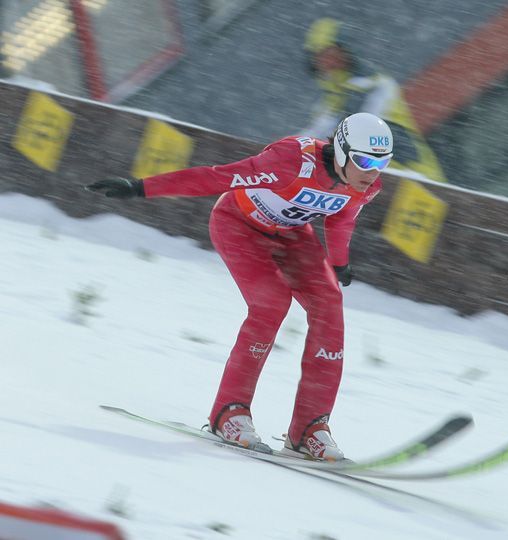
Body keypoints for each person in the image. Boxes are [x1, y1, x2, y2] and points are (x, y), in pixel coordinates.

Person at [86, 112, 394, 462]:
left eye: (383, 162)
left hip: (292, 237)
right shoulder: (290, 161)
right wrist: (141, 187)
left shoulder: (367, 184)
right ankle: (229, 413)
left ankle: (310, 428)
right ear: (340, 151)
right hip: (239, 226)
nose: (372, 171)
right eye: (365, 160)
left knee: (329, 304)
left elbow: (341, 215)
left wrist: (340, 262)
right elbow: (216, 178)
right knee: (271, 303)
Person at [303, 17, 447, 183]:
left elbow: (359, 131)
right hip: (372, 180)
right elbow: (313, 136)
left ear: (346, 51)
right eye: (320, 57)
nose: (328, 61)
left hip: (413, 176)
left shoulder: (375, 85)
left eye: (331, 53)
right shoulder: (331, 101)